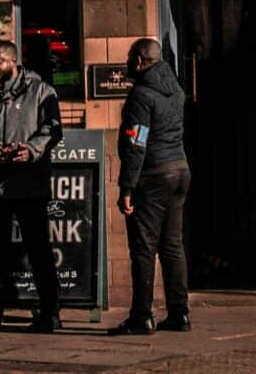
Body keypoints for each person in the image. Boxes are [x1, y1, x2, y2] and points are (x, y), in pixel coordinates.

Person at [0, 40, 63, 333]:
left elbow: (53, 129)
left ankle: (50, 312)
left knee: (39, 252)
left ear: (14, 62)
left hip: (30, 185)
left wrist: (30, 150)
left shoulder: (42, 92)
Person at [109, 38, 191, 336]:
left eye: (131, 56)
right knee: (172, 245)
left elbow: (136, 143)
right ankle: (179, 313)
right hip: (179, 169)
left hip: (153, 174)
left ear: (141, 61)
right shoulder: (176, 89)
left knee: (143, 248)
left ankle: (141, 316)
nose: (128, 62)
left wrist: (127, 187)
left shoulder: (141, 96)